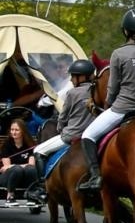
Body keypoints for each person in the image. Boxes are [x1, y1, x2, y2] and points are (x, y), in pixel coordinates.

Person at [78, 9, 135, 193]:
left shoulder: (118, 54)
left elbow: (112, 89)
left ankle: (95, 177)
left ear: (125, 31)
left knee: (87, 136)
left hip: (123, 109)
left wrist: (108, 104)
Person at [29, 58, 98, 188]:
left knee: (38, 151)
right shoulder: (97, 91)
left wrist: (60, 129)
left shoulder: (72, 93)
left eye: (73, 76)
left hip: (71, 135)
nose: (71, 80)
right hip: (94, 135)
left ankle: (42, 187)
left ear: (81, 77)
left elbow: (63, 117)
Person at [1, 118, 36, 201]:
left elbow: (31, 164)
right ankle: (10, 194)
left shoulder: (30, 145)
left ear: (23, 131)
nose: (13, 132)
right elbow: (6, 167)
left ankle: (32, 195)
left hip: (25, 176)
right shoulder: (7, 145)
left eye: (17, 130)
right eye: (12, 130)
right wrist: (17, 166)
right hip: (8, 177)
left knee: (31, 169)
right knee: (17, 169)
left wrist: (13, 165)